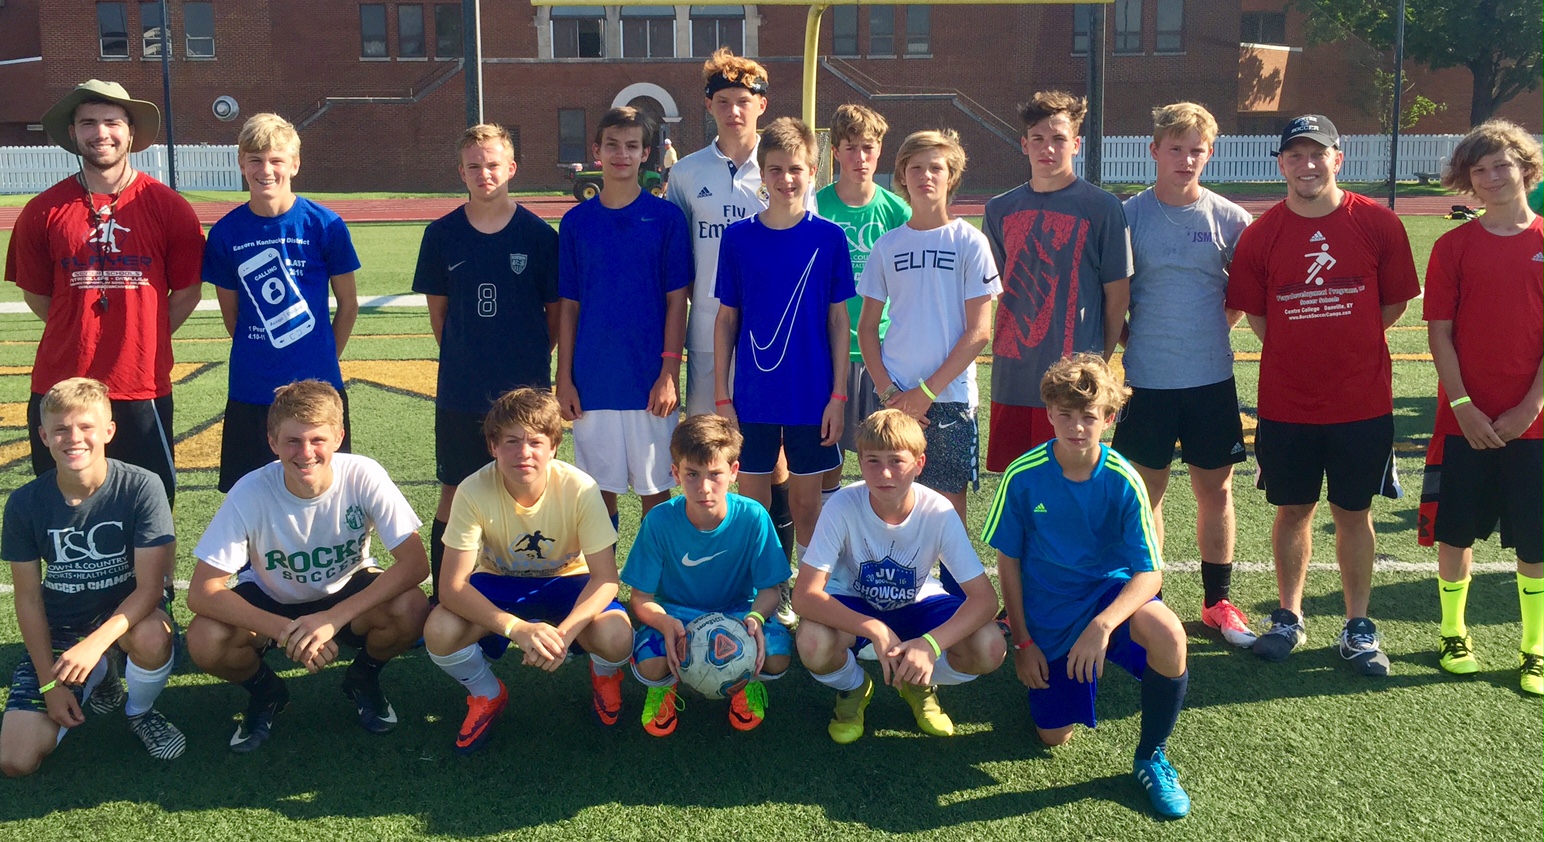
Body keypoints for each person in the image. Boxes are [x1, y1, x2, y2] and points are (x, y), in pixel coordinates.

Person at [1225, 114, 1420, 675]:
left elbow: (1393, 304)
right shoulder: (1262, 233)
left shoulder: (1378, 223)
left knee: (1354, 512)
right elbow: (1259, 316)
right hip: (1287, 403)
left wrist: (1350, 340)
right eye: (1295, 155)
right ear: (1281, 164)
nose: (1307, 165)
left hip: (1362, 402)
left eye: (1318, 154)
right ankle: (1289, 616)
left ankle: (1357, 625)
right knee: (1293, 510)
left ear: (1338, 158)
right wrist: (1302, 346)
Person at [985, 354, 1192, 819]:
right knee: (1052, 737)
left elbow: (1150, 573)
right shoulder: (1023, 475)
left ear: (1109, 418)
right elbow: (1008, 562)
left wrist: (1102, 626)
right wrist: (1023, 643)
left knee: (1169, 634)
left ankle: (1152, 756)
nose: (1077, 427)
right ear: (1049, 413)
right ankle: (1066, 669)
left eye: (1089, 416)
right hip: (1051, 606)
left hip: (1108, 597)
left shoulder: (1124, 479)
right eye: (1065, 415)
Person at [186, 380, 432, 752]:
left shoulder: (363, 474)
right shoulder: (250, 491)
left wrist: (332, 618)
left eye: (318, 439)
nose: (306, 453)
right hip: (272, 598)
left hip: (345, 591)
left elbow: (415, 564)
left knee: (412, 607)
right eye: (292, 441)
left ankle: (364, 677)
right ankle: (266, 691)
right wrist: (287, 632)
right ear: (272, 442)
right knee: (205, 639)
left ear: (339, 437)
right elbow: (202, 592)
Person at [5, 80, 205, 507]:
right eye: (88, 123)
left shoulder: (168, 206)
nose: (101, 133)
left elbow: (187, 290)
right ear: (73, 133)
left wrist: (143, 334)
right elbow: (36, 295)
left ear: (130, 132)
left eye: (112, 122)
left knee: (149, 505)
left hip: (140, 383)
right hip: (61, 383)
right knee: (62, 507)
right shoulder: (43, 210)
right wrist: (77, 328)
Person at [1111, 103, 1256, 648]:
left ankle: (1218, 602)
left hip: (1210, 379)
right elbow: (1113, 298)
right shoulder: (1128, 216)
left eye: (1196, 149)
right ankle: (1148, 599)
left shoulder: (1231, 218)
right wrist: (1135, 341)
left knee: (1215, 491)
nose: (1186, 159)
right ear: (1154, 151)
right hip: (1146, 381)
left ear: (1209, 153)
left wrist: (1207, 333)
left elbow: (1242, 294)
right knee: (1145, 494)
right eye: (1175, 148)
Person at [423, 388, 634, 755]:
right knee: (439, 630)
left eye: (535, 441)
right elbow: (452, 587)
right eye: (511, 441)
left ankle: (604, 674)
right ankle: (486, 692)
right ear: (493, 446)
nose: (524, 452)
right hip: (499, 581)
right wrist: (516, 629)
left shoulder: (580, 488)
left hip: (569, 580)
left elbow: (605, 579)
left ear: (554, 447)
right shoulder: (473, 489)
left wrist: (563, 636)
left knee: (617, 635)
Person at [1, 378, 185, 776]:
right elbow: (28, 599)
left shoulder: (141, 486)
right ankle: (102, 676)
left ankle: (139, 712)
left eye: (86, 426)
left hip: (129, 617)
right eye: (61, 429)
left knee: (153, 636)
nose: (74, 438)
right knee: (16, 760)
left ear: (108, 431)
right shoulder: (24, 503)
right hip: (63, 625)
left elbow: (150, 589)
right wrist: (50, 685)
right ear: (43, 436)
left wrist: (94, 645)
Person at [1420, 120, 1544, 695]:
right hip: (1462, 422)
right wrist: (1465, 407)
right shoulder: (1453, 246)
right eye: (1479, 169)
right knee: (1456, 534)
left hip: (1534, 425)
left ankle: (1534, 647)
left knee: (1536, 542)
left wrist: (1530, 407)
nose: (1492, 177)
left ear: (1526, 167)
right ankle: (1453, 633)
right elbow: (1440, 334)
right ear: (1467, 180)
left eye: (1502, 165)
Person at [793, 409, 1005, 743]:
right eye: (873, 461)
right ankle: (854, 688)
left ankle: (918, 682)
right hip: (854, 602)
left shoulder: (937, 510)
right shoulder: (842, 505)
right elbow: (804, 596)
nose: (885, 473)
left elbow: (985, 601)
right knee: (812, 642)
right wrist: (874, 628)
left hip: (918, 602)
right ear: (860, 462)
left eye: (897, 460)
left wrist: (931, 644)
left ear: (919, 464)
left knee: (989, 646)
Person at [666, 48, 804, 562]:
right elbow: (678, 261)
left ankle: (776, 568)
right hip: (708, 333)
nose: (734, 110)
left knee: (773, 455)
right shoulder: (686, 173)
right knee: (714, 452)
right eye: (723, 101)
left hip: (772, 337)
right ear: (708, 106)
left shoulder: (782, 169)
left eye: (744, 100)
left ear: (762, 105)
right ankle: (721, 564)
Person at [412, 124, 560, 599]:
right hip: (462, 390)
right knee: (456, 489)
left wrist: (526, 357)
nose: (484, 173)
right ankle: (445, 596)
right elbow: (440, 316)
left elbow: (555, 315)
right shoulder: (441, 235)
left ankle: (530, 588)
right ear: (461, 172)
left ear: (511, 168)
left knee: (530, 488)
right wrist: (469, 356)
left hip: (526, 393)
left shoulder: (539, 236)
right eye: (474, 166)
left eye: (493, 164)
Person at [713, 117, 853, 566]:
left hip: (811, 395)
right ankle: (765, 588)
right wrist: (722, 396)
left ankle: (809, 590)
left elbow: (838, 321)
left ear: (813, 171)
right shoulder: (738, 238)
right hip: (752, 396)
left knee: (806, 503)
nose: (786, 179)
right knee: (752, 506)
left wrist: (837, 396)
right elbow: (726, 319)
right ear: (762, 172)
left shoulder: (829, 238)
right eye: (775, 169)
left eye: (796, 169)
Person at [202, 112, 361, 493]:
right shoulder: (225, 233)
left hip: (319, 387)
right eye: (255, 160)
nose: (266, 170)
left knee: (326, 492)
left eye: (276, 160)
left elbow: (348, 305)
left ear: (294, 164)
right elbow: (232, 315)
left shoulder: (324, 225)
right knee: (248, 495)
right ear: (241, 164)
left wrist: (323, 353)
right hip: (251, 387)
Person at [982, 90, 1132, 473]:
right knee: (1019, 480)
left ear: (1076, 144)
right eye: (1038, 138)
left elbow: (1117, 296)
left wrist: (1098, 361)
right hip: (1013, 373)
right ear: (1024, 144)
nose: (1047, 148)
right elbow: (990, 291)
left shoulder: (1103, 208)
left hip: (1075, 377)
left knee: (1074, 478)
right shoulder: (999, 209)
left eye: (1059, 139)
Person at [557, 106, 691, 532]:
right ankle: (604, 575)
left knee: (657, 491)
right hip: (592, 378)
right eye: (612, 145)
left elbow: (677, 301)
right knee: (598, 493)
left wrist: (668, 373)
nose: (622, 154)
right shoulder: (576, 222)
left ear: (645, 153)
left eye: (632, 146)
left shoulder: (667, 218)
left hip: (648, 378)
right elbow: (569, 306)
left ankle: (656, 572)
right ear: (596, 151)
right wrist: (564, 377)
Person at [858, 128, 999, 525]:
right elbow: (867, 328)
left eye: (936, 168)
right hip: (895, 399)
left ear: (951, 176)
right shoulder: (887, 245)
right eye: (915, 167)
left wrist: (925, 393)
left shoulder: (970, 241)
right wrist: (890, 393)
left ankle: (950, 576)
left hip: (949, 400)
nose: (926, 176)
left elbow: (979, 332)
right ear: (902, 176)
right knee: (892, 511)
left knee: (946, 517)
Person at [623, 414, 792, 736]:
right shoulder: (659, 521)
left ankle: (745, 682)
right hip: (677, 614)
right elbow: (641, 598)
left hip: (738, 612)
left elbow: (771, 590)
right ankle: (662, 688)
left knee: (777, 656)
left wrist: (756, 618)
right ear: (676, 473)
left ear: (734, 472)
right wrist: (665, 623)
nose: (704, 487)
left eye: (715, 474)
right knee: (651, 664)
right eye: (692, 474)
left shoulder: (753, 516)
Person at [816, 104, 912, 501]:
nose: (860, 157)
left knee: (888, 453)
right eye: (851, 147)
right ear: (836, 152)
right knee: (827, 457)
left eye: (868, 147)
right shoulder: (817, 206)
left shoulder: (896, 211)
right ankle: (829, 532)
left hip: (883, 351)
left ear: (880, 150)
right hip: (828, 349)